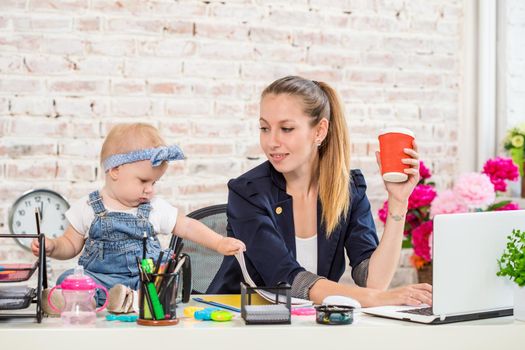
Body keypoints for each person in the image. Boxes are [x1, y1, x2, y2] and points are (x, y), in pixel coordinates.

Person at [208, 76, 432, 307]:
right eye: (265, 128)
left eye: (286, 129)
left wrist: (398, 201)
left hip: (308, 324)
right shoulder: (247, 193)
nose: (271, 141)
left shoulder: (348, 190)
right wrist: (380, 299)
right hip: (238, 321)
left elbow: (373, 281)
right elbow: (288, 280)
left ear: (319, 131)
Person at [32, 123, 245, 310]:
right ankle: (99, 299)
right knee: (67, 278)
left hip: (143, 281)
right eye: (143, 181)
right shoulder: (88, 206)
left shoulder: (153, 207)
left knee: (166, 285)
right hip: (100, 280)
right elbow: (70, 244)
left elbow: (187, 226)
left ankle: (126, 300)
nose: (150, 190)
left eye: (154, 183)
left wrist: (219, 243)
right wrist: (52, 247)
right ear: (115, 170)